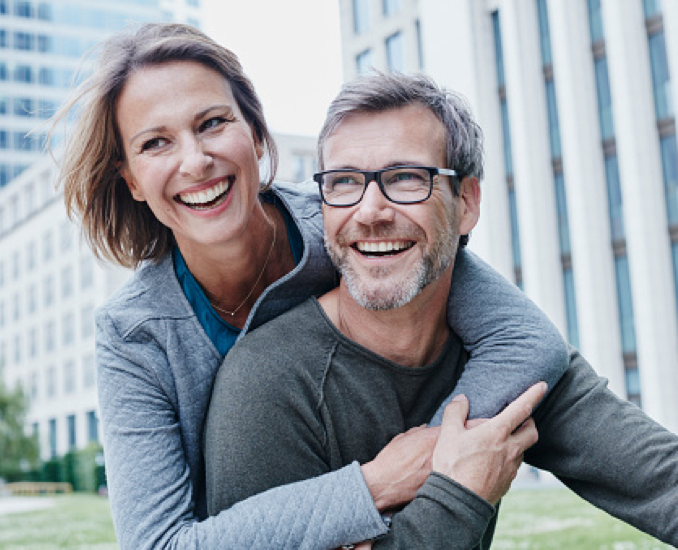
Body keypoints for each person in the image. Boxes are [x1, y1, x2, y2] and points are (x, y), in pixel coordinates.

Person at [204, 72, 678, 549]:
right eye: (346, 182)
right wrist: (459, 494)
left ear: (468, 203)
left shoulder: (501, 358)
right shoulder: (267, 387)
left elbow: (672, 483)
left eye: (406, 179)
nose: (371, 210)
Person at [52, 23, 568, 549]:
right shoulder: (132, 335)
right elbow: (156, 545)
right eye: (156, 142)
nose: (195, 160)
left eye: (212, 123)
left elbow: (527, 339)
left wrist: (442, 459)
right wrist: (373, 487)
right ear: (132, 179)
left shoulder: (348, 224)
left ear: (255, 132)